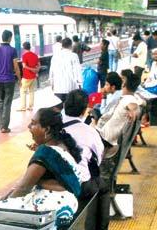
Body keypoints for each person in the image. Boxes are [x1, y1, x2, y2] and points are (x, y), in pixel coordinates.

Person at [0, 108, 87, 228]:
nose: (29, 126)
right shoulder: (63, 144)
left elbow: (23, 188)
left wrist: (5, 202)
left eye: (33, 123)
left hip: (52, 209)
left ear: (46, 129)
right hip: (69, 204)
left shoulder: (45, 152)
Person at [61, 90, 109, 230]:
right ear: (84, 109)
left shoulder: (55, 126)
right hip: (81, 184)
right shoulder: (89, 131)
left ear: (65, 105)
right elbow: (99, 158)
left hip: (58, 179)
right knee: (102, 189)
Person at [91, 70, 142, 160]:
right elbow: (138, 103)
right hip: (106, 137)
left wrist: (133, 111)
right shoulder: (131, 97)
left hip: (105, 139)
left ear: (123, 85)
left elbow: (132, 105)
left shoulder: (128, 99)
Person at [0, 30, 21, 133]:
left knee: (0, 102)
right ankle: (4, 127)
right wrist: (19, 79)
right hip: (9, 80)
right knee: (7, 103)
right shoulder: (13, 50)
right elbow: (16, 67)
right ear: (10, 38)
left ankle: (1, 125)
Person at [50, 38, 82, 103]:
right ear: (71, 45)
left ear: (62, 45)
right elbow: (77, 70)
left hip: (58, 87)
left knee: (60, 107)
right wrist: (80, 83)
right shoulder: (73, 55)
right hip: (71, 87)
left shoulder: (55, 56)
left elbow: (51, 71)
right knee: (70, 107)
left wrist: (52, 83)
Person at [18, 41, 40, 111]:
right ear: (30, 47)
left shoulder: (24, 55)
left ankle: (23, 107)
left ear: (23, 48)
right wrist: (36, 70)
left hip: (26, 76)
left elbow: (24, 66)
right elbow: (39, 65)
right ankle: (30, 107)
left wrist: (32, 69)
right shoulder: (35, 55)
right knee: (31, 91)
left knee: (22, 91)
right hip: (33, 77)